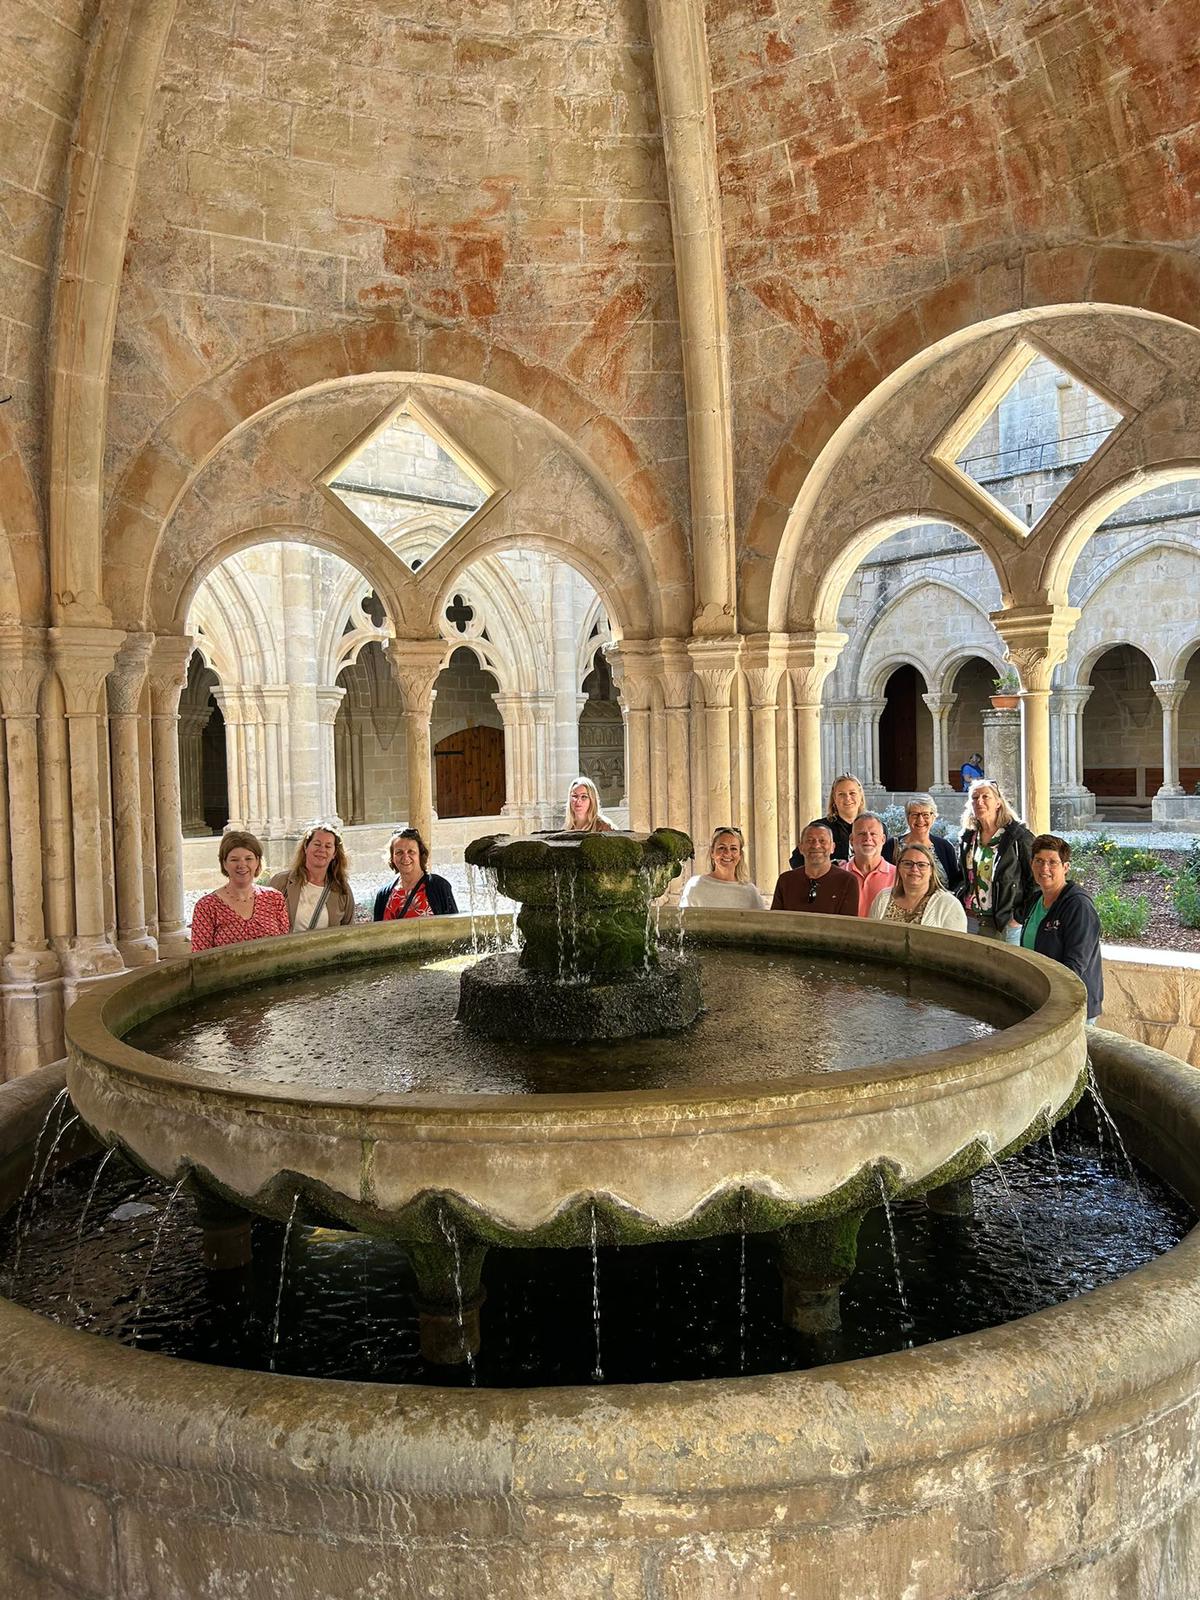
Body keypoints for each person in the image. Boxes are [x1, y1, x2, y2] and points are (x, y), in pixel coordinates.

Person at [1021, 834, 1103, 1021]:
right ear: (1031, 864)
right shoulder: (1035, 901)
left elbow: (1075, 965)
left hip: (1071, 1005)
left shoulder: (1078, 906)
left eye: (1053, 862)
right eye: (1039, 861)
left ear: (1066, 867)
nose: (1045, 868)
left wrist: (1052, 1001)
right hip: (1042, 1000)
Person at [957, 779, 1034, 943]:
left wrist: (1018, 917)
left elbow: (1036, 881)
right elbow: (962, 876)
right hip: (971, 919)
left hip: (1005, 922)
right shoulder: (968, 838)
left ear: (998, 803)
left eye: (986, 797)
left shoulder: (1018, 837)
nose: (979, 801)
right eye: (975, 797)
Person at [190, 831, 290, 952]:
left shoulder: (274, 898)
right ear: (224, 863)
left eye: (248, 858)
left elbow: (285, 948)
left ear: (257, 862)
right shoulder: (207, 906)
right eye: (234, 860)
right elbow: (200, 958)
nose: (242, 865)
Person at [269, 822, 356, 932]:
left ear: (334, 853)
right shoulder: (281, 882)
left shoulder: (342, 890)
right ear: (306, 847)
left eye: (328, 846)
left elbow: (348, 930)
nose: (322, 850)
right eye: (317, 844)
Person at [870, 841, 968, 930]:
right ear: (899, 868)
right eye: (908, 864)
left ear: (931, 871)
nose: (914, 869)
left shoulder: (949, 905)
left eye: (921, 865)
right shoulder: (883, 898)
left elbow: (956, 947)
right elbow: (871, 937)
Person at [771, 820, 858, 914]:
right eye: (810, 840)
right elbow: (775, 922)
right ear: (800, 848)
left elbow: (848, 925)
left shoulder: (847, 881)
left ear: (833, 847)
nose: (816, 845)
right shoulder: (786, 880)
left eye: (822, 841)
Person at [373, 827, 458, 921]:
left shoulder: (438, 886)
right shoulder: (383, 894)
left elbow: (454, 927)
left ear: (420, 854)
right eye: (399, 852)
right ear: (392, 857)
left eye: (411, 852)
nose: (405, 857)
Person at [882, 794, 961, 892]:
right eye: (915, 814)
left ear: (933, 817)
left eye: (925, 815)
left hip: (939, 906)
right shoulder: (892, 846)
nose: (920, 820)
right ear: (907, 817)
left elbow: (954, 883)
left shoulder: (945, 847)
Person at [789, 772, 864, 868]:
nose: (847, 798)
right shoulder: (819, 828)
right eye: (841, 794)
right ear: (834, 799)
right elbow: (796, 861)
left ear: (861, 797)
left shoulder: (875, 828)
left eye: (852, 793)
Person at [679, 826, 766, 909]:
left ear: (740, 855)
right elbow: (684, 921)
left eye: (733, 848)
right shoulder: (696, 885)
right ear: (712, 852)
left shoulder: (750, 892)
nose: (727, 853)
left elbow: (762, 922)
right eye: (721, 848)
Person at [846, 812, 896, 917]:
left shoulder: (898, 876)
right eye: (861, 834)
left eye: (873, 834)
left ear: (883, 839)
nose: (868, 838)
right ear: (851, 839)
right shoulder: (840, 874)